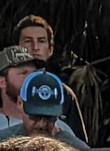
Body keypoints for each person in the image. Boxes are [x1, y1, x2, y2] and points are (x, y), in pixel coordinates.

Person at [0, 46, 73, 145]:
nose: (32, 78)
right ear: (2, 81)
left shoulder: (60, 128)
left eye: (34, 73)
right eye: (23, 73)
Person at [11, 14, 91, 142]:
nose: (35, 47)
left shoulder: (63, 93)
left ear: (50, 50)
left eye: (41, 41)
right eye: (28, 41)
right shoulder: (6, 89)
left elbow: (79, 143)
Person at [0, 71, 89, 151]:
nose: (42, 124)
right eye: (35, 116)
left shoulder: (77, 150)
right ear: (20, 103)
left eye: (50, 118)